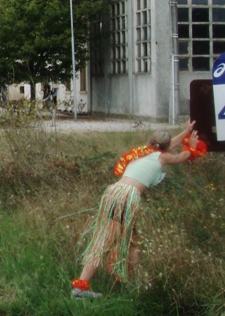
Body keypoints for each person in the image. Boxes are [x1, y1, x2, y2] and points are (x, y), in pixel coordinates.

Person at [71, 121, 201, 299]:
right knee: (105, 242)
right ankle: (80, 288)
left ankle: (133, 285)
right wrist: (192, 146)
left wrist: (186, 132)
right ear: (163, 147)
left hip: (115, 193)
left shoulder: (142, 152)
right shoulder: (161, 157)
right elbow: (182, 156)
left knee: (133, 240)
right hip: (126, 197)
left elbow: (168, 146)